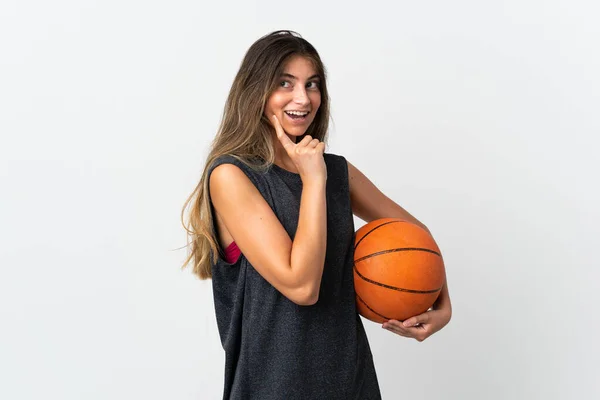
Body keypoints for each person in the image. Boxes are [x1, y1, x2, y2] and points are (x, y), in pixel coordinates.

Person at [181, 30, 452, 400]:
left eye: (312, 85)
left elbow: (416, 236)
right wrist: (312, 180)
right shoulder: (231, 176)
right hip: (272, 386)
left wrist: (442, 305)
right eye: (284, 83)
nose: (302, 98)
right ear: (255, 91)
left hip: (350, 381)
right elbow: (302, 287)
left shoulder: (334, 172)